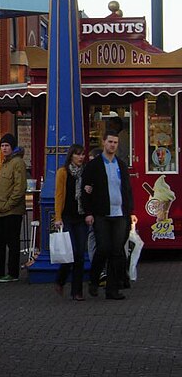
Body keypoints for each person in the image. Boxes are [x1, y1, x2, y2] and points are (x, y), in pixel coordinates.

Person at [82, 129, 136, 300]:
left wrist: (129, 211)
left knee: (116, 251)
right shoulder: (94, 165)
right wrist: (89, 212)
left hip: (120, 213)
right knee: (103, 248)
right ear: (103, 142)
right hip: (102, 213)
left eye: (115, 142)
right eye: (110, 142)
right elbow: (86, 190)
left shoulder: (121, 165)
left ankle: (112, 290)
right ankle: (94, 280)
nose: (112, 145)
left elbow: (126, 189)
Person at [0, 132, 27, 283]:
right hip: (1, 209)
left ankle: (13, 273)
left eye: (7, 145)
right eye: (2, 145)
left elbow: (19, 188)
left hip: (12, 210)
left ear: (12, 147)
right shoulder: (5, 163)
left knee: (12, 241)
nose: (4, 148)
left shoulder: (17, 163)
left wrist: (9, 205)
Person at [54, 144, 87, 301]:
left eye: (82, 155)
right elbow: (59, 195)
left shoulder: (85, 173)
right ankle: (60, 280)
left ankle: (77, 291)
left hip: (81, 217)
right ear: (71, 156)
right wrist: (58, 217)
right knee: (70, 253)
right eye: (77, 154)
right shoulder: (63, 172)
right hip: (67, 217)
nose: (81, 157)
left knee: (80, 253)